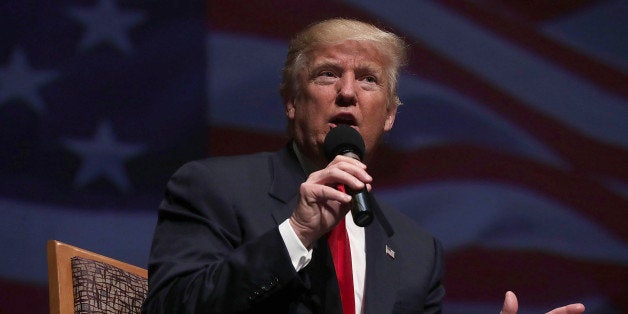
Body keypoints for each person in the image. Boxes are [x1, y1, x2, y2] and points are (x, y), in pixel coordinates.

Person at [142, 18, 585, 313]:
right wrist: (296, 232)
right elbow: (170, 306)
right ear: (292, 103)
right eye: (327, 74)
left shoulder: (416, 250)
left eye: (369, 79)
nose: (348, 92)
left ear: (390, 115)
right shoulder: (213, 187)